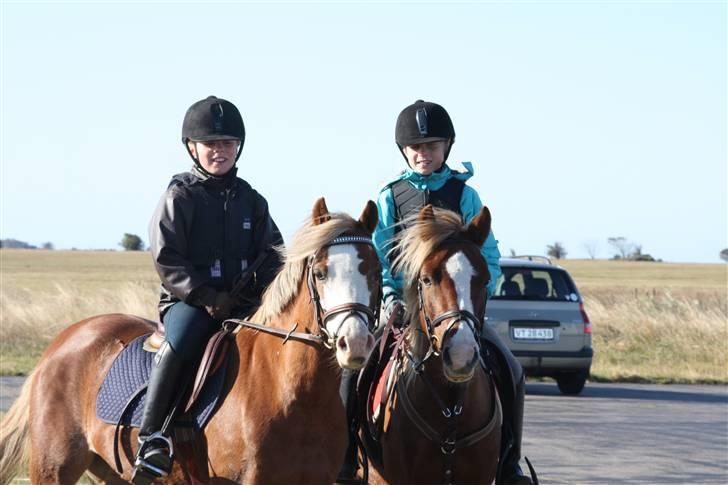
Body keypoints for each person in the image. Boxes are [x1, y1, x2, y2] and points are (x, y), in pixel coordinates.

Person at [337, 100, 533, 485]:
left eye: (431, 146)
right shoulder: (391, 196)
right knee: (354, 374)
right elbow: (380, 253)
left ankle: (508, 464)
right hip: (404, 310)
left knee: (510, 369)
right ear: (404, 151)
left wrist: (473, 299)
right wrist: (392, 298)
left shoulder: (466, 195)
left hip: (457, 309)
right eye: (416, 147)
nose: (423, 153)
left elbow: (487, 256)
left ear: (447, 147)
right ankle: (347, 460)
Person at [132, 96, 283, 484]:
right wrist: (207, 297)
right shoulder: (179, 196)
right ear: (192, 148)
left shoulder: (253, 200)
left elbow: (274, 253)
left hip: (244, 304)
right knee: (180, 342)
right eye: (211, 144)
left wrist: (262, 291)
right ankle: (153, 439)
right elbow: (167, 258)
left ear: (239, 147)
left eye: (228, 143)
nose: (220, 151)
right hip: (190, 302)